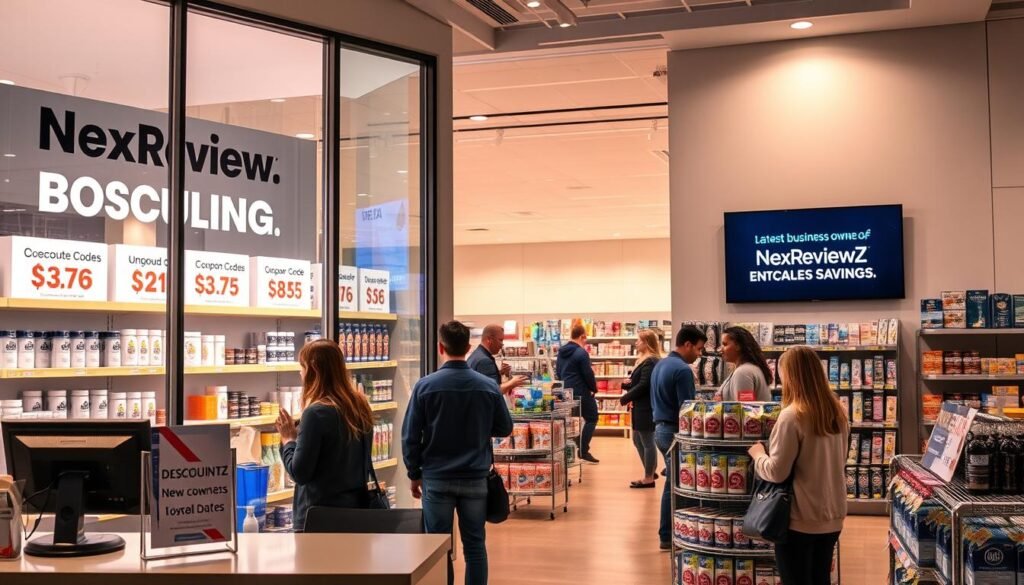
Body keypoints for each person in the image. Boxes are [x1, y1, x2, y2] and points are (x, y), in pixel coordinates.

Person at [403, 320, 513, 585]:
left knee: (439, 547)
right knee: (475, 545)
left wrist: (414, 472)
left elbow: (410, 435)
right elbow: (505, 427)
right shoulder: (487, 386)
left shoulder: (425, 386)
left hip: (437, 478)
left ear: (441, 347)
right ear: (468, 347)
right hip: (475, 477)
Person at [748, 346, 848, 585]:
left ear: (790, 376)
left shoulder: (792, 415)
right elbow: (839, 461)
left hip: (800, 518)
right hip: (832, 514)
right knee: (820, 577)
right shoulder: (838, 411)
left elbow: (776, 471)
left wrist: (758, 454)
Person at [277, 339, 376, 531]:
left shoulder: (316, 413)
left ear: (313, 368)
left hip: (319, 518)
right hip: (355, 513)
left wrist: (288, 439)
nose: (300, 372)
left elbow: (300, 472)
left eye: (302, 366)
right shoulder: (360, 407)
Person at [651, 325, 707, 550]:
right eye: (699, 349)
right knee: (676, 485)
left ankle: (670, 534)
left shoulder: (661, 364)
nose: (699, 355)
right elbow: (688, 408)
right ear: (687, 344)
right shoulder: (683, 369)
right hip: (675, 431)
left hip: (660, 429)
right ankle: (668, 535)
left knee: (673, 481)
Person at [619, 329, 662, 488]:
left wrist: (625, 397)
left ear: (647, 343)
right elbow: (640, 381)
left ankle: (649, 477)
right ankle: (651, 470)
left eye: (639, 340)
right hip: (640, 406)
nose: (636, 343)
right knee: (637, 439)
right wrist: (628, 384)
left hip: (645, 407)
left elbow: (645, 385)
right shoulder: (644, 360)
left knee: (646, 441)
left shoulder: (650, 361)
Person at [556, 324, 600, 463]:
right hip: (581, 391)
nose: (585, 341)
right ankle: (582, 449)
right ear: (582, 336)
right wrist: (594, 388)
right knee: (592, 417)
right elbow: (588, 374)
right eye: (585, 338)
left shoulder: (561, 352)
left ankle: (571, 450)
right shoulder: (581, 353)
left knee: (572, 421)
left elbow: (558, 372)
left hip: (565, 392)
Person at [467, 324, 528, 399]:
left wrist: (499, 372)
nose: (502, 344)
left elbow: (483, 381)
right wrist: (512, 383)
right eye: (500, 340)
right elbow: (493, 391)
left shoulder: (477, 354)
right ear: (489, 340)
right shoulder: (484, 361)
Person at [719, 326, 773, 402]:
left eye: (725, 344)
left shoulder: (743, 372)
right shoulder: (751, 368)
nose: (720, 349)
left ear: (738, 346)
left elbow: (745, 408)